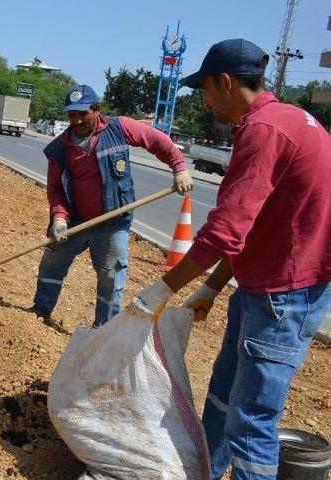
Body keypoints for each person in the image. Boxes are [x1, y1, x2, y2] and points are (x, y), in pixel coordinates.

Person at [131, 39, 331, 480]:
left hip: (284, 296)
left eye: (203, 88)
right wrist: (212, 286)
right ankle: (205, 472)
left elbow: (223, 230)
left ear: (225, 82)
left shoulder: (265, 131)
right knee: (223, 396)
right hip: (264, 286)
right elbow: (252, 229)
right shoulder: (291, 120)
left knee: (252, 422)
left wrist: (161, 291)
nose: (202, 100)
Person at [32, 84, 193, 328]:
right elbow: (56, 190)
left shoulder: (119, 128)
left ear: (96, 110)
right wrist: (59, 219)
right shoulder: (59, 149)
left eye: (81, 113)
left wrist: (179, 168)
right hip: (75, 220)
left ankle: (102, 330)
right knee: (52, 262)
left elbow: (156, 140)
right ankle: (40, 312)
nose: (76, 121)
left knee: (111, 276)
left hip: (113, 223)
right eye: (71, 115)